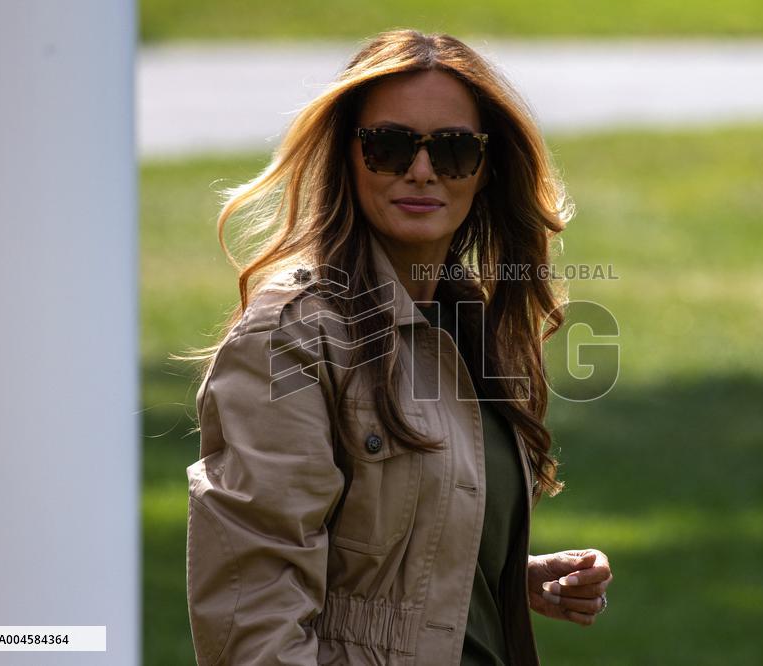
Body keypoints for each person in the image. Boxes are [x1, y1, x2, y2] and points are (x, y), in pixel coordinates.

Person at [182, 28, 613, 665]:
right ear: (346, 158)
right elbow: (253, 610)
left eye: (454, 150)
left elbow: (375, 546)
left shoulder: (467, 323)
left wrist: (494, 574)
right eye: (388, 146)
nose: (421, 170)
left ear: (486, 169)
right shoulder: (292, 334)